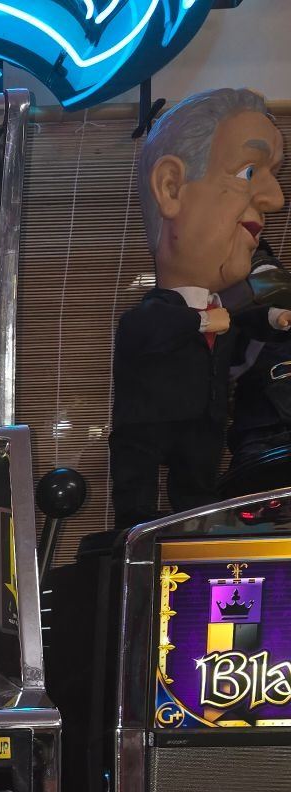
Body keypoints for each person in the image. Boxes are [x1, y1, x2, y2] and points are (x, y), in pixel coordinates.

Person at [110, 87, 291, 530]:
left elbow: (247, 324)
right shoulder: (156, 313)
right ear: (171, 187)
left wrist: (275, 317)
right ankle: (136, 525)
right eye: (249, 171)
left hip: (202, 421)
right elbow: (145, 330)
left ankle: (196, 522)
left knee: (196, 485)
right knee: (137, 484)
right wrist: (204, 320)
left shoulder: (226, 308)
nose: (275, 199)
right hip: (149, 423)